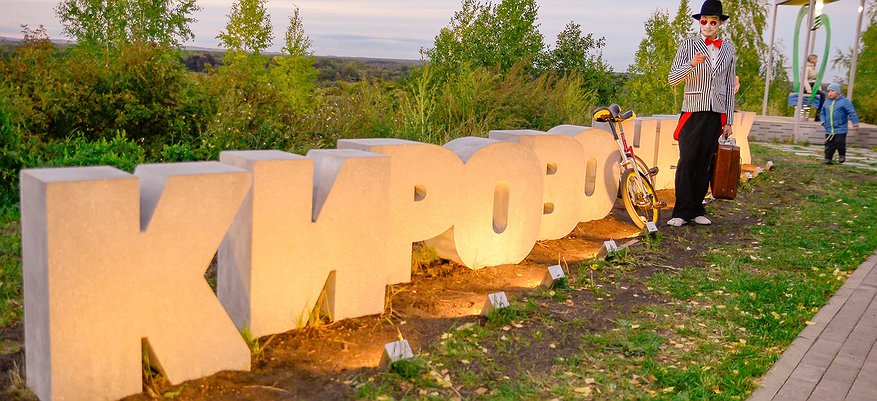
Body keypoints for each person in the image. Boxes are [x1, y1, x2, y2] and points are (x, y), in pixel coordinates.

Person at [666, 0, 736, 227]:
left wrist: (729, 120)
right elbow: (672, 79)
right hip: (693, 111)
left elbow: (728, 86)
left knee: (705, 162)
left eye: (712, 22)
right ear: (700, 22)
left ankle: (697, 209)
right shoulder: (688, 45)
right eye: (704, 21)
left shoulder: (728, 49)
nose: (707, 25)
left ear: (719, 24)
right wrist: (692, 64)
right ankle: (681, 212)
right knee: (688, 160)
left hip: (716, 113)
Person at [820, 82, 859, 165]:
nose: (830, 93)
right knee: (829, 145)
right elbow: (822, 113)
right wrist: (823, 121)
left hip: (840, 128)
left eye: (832, 91)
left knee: (839, 143)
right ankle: (828, 158)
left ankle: (842, 155)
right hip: (829, 129)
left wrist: (855, 122)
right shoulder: (826, 102)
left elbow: (851, 112)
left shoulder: (844, 101)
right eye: (828, 91)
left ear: (838, 92)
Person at [803, 54, 826, 122]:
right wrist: (808, 90)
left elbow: (816, 80)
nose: (817, 61)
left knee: (822, 95)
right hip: (808, 86)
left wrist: (819, 88)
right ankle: (818, 114)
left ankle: (819, 113)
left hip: (814, 86)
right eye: (816, 59)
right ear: (812, 60)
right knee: (823, 95)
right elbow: (805, 79)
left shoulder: (814, 69)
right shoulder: (806, 68)